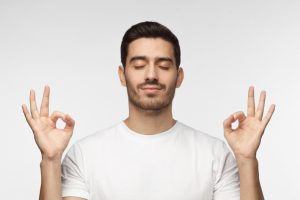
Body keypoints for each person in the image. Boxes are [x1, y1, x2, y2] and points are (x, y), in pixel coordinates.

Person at [22, 21, 275, 200]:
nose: (151, 75)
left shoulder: (215, 154)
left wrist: (246, 159)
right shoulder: (85, 154)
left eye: (164, 65)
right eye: (139, 65)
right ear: (123, 75)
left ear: (179, 76)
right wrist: (51, 160)